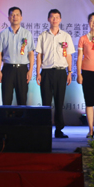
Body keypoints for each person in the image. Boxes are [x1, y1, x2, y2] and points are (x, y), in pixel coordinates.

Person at [36, 9, 74, 138]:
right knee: (46, 102)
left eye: (57, 17)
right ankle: (45, 129)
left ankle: (59, 129)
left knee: (59, 101)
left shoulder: (66, 36)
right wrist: (38, 73)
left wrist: (69, 72)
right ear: (48, 19)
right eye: (52, 17)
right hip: (46, 72)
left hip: (61, 72)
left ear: (60, 19)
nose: (55, 19)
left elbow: (69, 55)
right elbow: (39, 55)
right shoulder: (43, 36)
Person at [0, 7, 34, 106]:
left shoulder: (27, 34)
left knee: (22, 99)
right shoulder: (3, 34)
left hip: (22, 70)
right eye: (12, 15)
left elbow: (31, 53)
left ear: (21, 17)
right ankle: (6, 117)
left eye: (17, 15)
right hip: (8, 69)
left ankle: (21, 117)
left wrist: (30, 70)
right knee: (6, 99)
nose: (15, 17)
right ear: (8, 18)